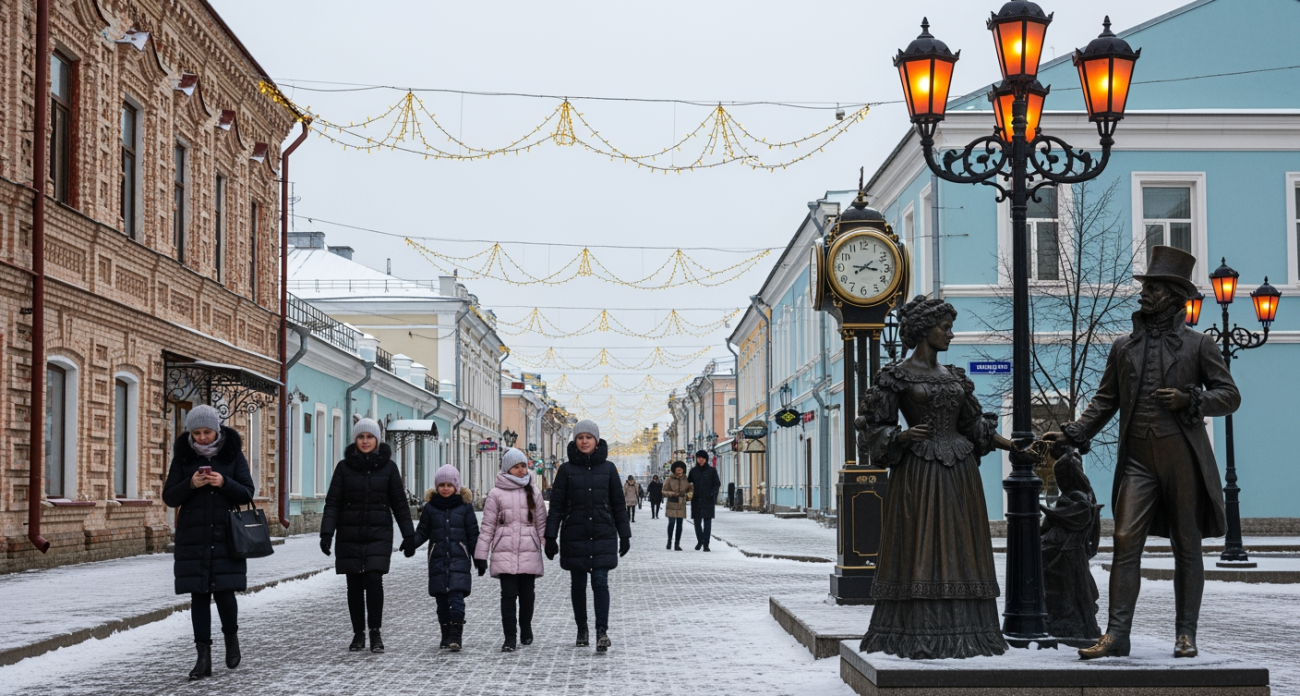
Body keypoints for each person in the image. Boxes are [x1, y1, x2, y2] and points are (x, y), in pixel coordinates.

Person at [1045, 246, 1240, 660]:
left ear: (1172, 294)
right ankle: (1117, 634)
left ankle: (1186, 633)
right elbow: (1105, 400)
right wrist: (1075, 432)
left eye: (1152, 288)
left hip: (1182, 457)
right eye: (1145, 287)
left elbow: (1230, 396)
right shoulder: (1123, 347)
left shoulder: (1198, 344)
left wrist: (1191, 399)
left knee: (1186, 544)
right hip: (1137, 459)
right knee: (1123, 538)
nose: (1143, 294)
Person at [857, 295, 1014, 659]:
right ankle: (917, 631)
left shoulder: (955, 376)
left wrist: (1014, 447)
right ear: (925, 329)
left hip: (959, 474)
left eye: (950, 327)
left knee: (961, 547)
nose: (951, 334)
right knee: (921, 545)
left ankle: (971, 632)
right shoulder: (895, 376)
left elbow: (974, 425)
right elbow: (872, 428)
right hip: (919, 474)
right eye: (945, 327)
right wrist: (899, 436)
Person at [162, 404, 256, 681]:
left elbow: (247, 493)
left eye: (207, 432)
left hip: (227, 535)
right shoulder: (182, 458)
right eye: (197, 432)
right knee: (199, 596)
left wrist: (223, 481)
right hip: (194, 537)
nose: (202, 437)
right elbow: (169, 497)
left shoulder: (232, 454)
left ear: (217, 430)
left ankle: (231, 639)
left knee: (225, 593)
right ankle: (203, 658)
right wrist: (191, 484)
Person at [320, 418, 415, 654]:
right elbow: (332, 503)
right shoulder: (343, 468)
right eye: (361, 437)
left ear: (377, 439)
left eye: (369, 437)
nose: (365, 441)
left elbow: (400, 504)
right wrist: (326, 533)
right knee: (354, 584)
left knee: (373, 581)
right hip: (349, 534)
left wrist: (409, 535)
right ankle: (358, 633)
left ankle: (375, 632)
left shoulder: (389, 468)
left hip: (378, 533)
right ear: (355, 439)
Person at [544, 420, 632, 652]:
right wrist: (550, 537)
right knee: (578, 584)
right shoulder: (565, 470)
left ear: (596, 440)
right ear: (575, 440)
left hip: (603, 533)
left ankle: (601, 630)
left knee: (600, 582)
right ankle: (582, 627)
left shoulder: (609, 468)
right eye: (580, 437)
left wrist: (625, 534)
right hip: (575, 533)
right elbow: (556, 507)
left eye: (588, 437)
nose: (584, 441)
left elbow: (618, 504)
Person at [474, 448, 547, 652]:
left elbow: (541, 523)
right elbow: (488, 526)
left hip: (528, 551)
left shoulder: (534, 492)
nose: (521, 470)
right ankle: (509, 637)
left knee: (527, 595)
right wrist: (481, 554)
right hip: (504, 552)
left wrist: (548, 545)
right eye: (516, 467)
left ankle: (525, 627)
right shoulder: (496, 494)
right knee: (508, 596)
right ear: (507, 469)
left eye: (523, 465)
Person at [406, 464, 480, 652]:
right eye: (441, 485)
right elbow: (423, 531)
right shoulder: (430, 508)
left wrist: (479, 558)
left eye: (449, 484)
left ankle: (456, 635)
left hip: (459, 561)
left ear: (456, 486)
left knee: (456, 599)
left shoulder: (465, 507)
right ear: (436, 487)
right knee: (441, 602)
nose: (445, 488)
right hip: (437, 561)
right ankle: (445, 635)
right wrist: (411, 543)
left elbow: (473, 534)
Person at [687, 450, 720, 552]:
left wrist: (713, 495)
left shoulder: (712, 471)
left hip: (708, 500)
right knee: (697, 522)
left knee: (707, 522)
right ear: (697, 459)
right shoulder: (693, 471)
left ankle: (706, 544)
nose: (700, 460)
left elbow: (716, 484)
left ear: (706, 459)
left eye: (703, 458)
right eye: (699, 458)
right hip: (696, 500)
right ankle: (700, 540)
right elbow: (688, 484)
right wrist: (688, 494)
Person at [662, 461, 692, 551]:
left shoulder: (686, 479)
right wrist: (673, 494)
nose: (679, 471)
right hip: (671, 503)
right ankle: (669, 541)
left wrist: (688, 496)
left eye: (681, 470)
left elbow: (690, 490)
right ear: (674, 470)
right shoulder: (669, 479)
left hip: (681, 504)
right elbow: (663, 491)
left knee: (679, 524)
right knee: (671, 523)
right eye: (677, 470)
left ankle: (677, 543)